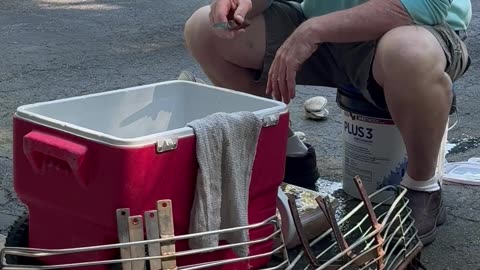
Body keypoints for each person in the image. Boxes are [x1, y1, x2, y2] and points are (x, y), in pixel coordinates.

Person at [182, 0, 472, 246]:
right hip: (323, 30)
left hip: (412, 31)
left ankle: (422, 187)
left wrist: (312, 31)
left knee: (409, 52)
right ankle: (285, 153)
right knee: (206, 31)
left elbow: (423, 7)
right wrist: (242, 4)